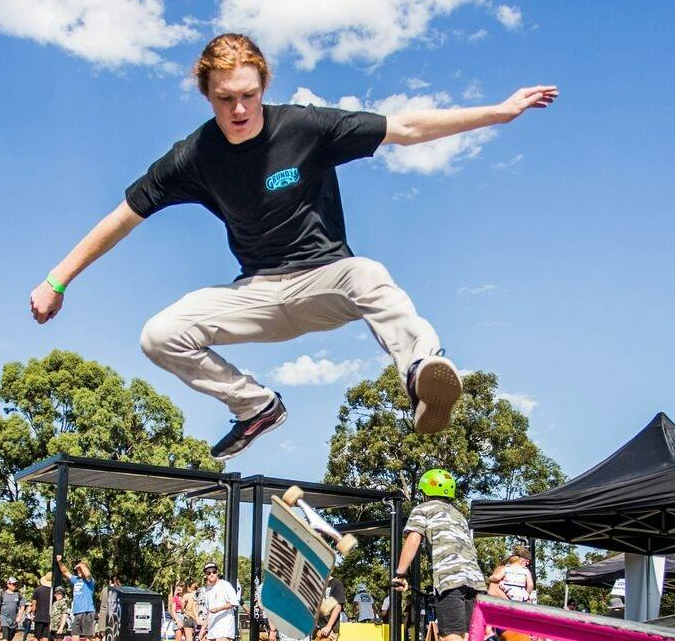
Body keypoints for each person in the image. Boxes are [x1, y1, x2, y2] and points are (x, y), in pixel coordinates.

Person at [29, 32, 558, 458]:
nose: (239, 109)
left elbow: (407, 128)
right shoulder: (193, 156)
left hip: (325, 280)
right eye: (225, 99)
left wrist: (498, 111)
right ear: (206, 95)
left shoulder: (305, 126)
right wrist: (57, 280)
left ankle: (422, 373)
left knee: (368, 272)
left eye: (248, 95)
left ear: (264, 85)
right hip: (256, 293)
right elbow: (122, 219)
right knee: (158, 335)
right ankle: (255, 406)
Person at [392, 469, 506, 641]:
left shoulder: (423, 510)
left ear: (424, 492)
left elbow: (413, 540)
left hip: (450, 579)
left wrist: (400, 574)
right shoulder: (458, 515)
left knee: (449, 636)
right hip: (475, 583)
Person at [199, 562, 244, 641]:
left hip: (224, 627)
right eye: (208, 573)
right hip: (212, 629)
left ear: (217, 572)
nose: (211, 574)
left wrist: (219, 608)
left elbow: (234, 603)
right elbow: (209, 612)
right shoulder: (207, 591)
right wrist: (203, 630)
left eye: (213, 572)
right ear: (205, 575)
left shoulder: (225, 586)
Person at [56, 555, 98, 641]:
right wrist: (60, 561)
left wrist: (81, 565)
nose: (78, 571)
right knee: (74, 639)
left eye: (80, 569)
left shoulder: (90, 581)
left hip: (87, 611)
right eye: (78, 570)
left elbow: (88, 574)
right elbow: (65, 571)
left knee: (89, 637)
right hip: (77, 612)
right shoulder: (75, 580)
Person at [0, 577, 24, 641]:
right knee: (5, 634)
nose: (15, 585)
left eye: (16, 584)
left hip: (14, 619)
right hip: (4, 617)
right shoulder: (2, 594)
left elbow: (22, 606)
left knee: (11, 636)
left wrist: (19, 616)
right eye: (13, 584)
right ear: (8, 584)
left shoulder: (18, 594)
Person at [31, 573, 54, 641]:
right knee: (45, 636)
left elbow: (34, 605)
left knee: (36, 636)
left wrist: (33, 613)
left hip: (39, 616)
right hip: (48, 616)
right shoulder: (53, 592)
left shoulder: (37, 590)